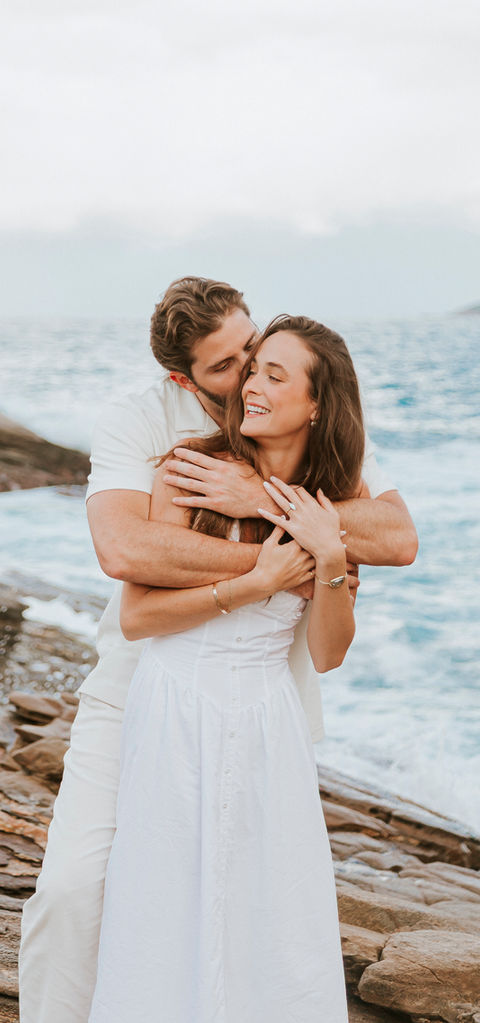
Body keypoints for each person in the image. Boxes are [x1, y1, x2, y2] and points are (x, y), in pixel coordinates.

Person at [19, 278, 418, 1023]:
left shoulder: (306, 442)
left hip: (267, 700)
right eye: (231, 365)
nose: (248, 375)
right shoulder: (159, 433)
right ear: (184, 377)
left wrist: (274, 509)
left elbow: (396, 538)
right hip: (140, 690)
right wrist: (273, 567)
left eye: (258, 351)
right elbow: (123, 550)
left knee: (262, 917)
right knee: (79, 891)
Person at [88, 315, 363, 1021]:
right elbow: (137, 617)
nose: (252, 384)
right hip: (175, 702)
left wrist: (329, 559)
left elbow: (328, 654)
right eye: (252, 369)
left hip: (271, 718)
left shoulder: (331, 502)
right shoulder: (189, 467)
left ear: (318, 404)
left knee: (272, 912)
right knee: (164, 902)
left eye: (275, 373)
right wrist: (259, 579)